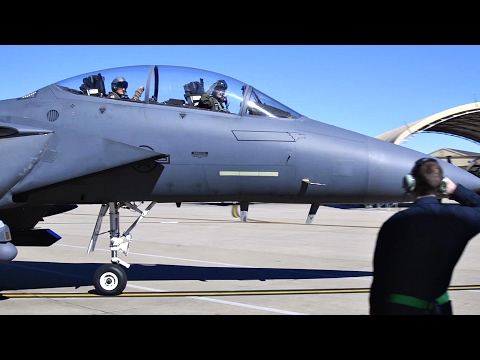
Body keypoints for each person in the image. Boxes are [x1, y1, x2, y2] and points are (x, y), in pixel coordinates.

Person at [369, 157, 480, 315]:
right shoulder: (458, 219)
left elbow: (380, 282)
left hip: (401, 310)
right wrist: (456, 191)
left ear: (411, 183)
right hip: (441, 308)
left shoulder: (396, 223)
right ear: (441, 185)